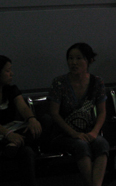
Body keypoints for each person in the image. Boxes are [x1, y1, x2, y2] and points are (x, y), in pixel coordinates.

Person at [48, 43, 109, 186]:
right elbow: (54, 113)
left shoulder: (97, 82)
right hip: (64, 134)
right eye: (70, 58)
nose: (73, 62)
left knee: (101, 143)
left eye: (78, 58)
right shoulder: (59, 83)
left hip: (88, 131)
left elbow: (102, 112)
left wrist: (94, 132)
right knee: (81, 145)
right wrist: (73, 133)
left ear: (89, 61)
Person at [0, 55, 42, 186]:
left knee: (45, 121)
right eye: (7, 71)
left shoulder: (11, 90)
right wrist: (8, 134)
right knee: (27, 150)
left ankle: (12, 145)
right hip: (3, 132)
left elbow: (23, 107)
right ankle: (11, 144)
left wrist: (31, 119)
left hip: (13, 130)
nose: (11, 74)